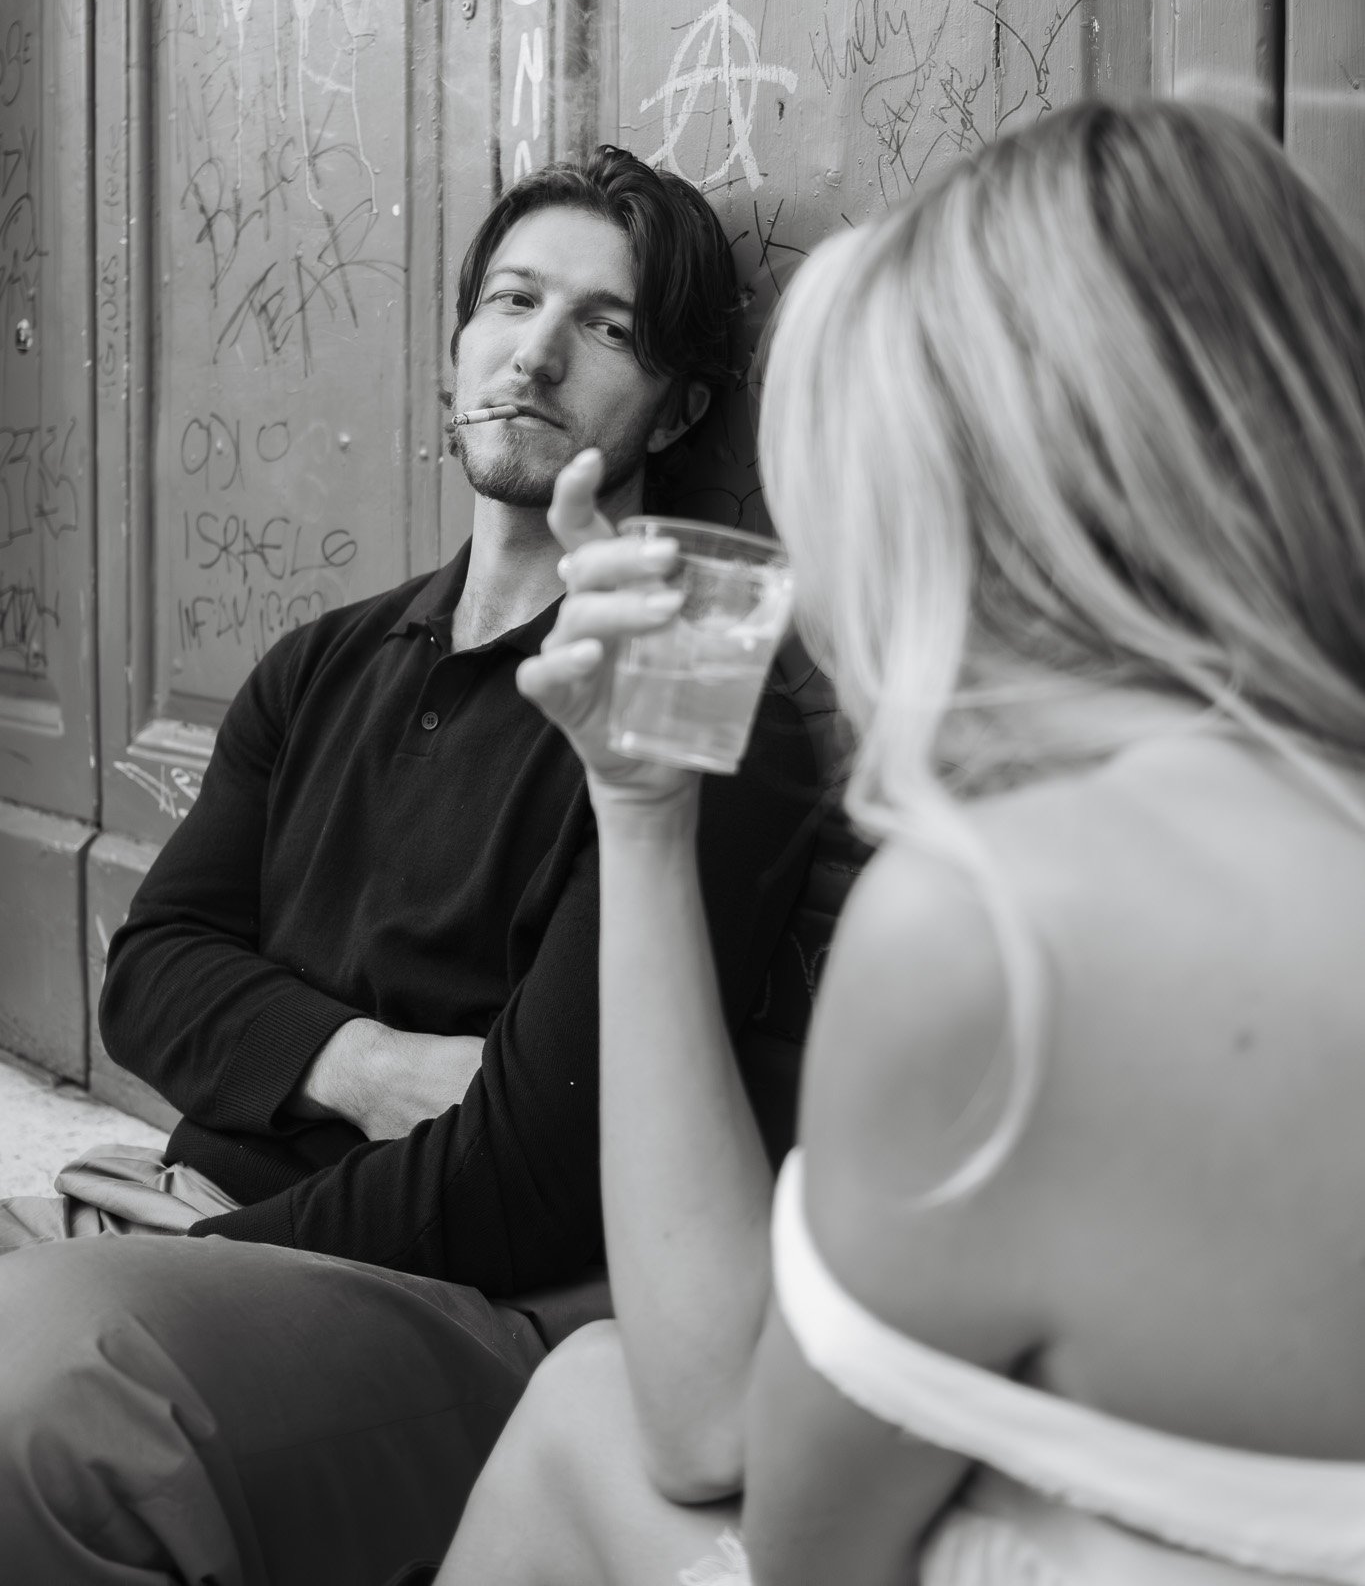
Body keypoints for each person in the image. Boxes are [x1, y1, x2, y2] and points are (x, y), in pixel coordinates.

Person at [438, 101, 1365, 1586]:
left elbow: (742, 1474)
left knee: (581, 1417)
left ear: (971, 500)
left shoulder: (995, 925)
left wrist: (641, 820)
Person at [0, 148, 817, 1585]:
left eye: (609, 328)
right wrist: (369, 1064)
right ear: (454, 344)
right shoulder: (320, 660)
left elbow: (533, 1168)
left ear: (679, 405)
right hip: (192, 1233)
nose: (538, 352)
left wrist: (214, 1231)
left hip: (465, 1297)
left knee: (45, 1383)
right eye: (510, 301)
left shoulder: (691, 680)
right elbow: (154, 979)